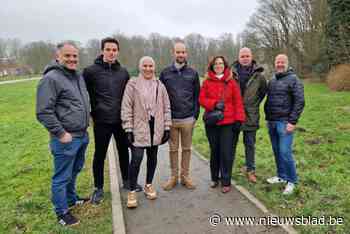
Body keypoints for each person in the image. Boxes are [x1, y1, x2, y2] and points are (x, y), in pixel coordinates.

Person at [36, 42, 90, 226]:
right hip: (66, 138)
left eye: (75, 56)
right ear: (58, 57)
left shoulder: (77, 76)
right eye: (67, 56)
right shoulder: (51, 79)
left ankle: (71, 199)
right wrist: (60, 133)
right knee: (61, 176)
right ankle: (62, 213)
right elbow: (43, 111)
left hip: (81, 135)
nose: (72, 59)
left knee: (75, 170)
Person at [83, 37, 141, 205]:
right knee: (99, 155)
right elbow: (82, 94)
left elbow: (130, 96)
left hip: (120, 121)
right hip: (101, 121)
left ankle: (127, 181)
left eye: (114, 50)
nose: (111, 52)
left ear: (118, 52)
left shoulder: (123, 72)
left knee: (124, 152)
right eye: (108, 49)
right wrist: (91, 114)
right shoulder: (90, 71)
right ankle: (98, 188)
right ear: (102, 51)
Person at [121, 56, 171, 208]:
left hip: (155, 127)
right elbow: (126, 106)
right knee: (136, 158)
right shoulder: (132, 84)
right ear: (140, 67)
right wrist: (128, 128)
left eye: (150, 66)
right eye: (145, 66)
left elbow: (166, 107)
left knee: (152, 157)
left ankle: (149, 184)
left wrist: (167, 127)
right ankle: (131, 190)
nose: (148, 69)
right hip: (138, 128)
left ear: (154, 68)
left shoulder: (160, 85)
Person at [199, 56, 246, 193]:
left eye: (221, 63)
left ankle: (226, 180)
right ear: (212, 66)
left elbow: (238, 102)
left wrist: (239, 120)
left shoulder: (231, 82)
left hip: (228, 123)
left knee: (226, 152)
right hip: (212, 122)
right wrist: (214, 104)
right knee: (215, 151)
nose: (218, 65)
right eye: (216, 64)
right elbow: (201, 99)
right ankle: (214, 177)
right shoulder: (207, 82)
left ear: (225, 66)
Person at [159, 42, 200, 190]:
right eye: (178, 52)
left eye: (183, 52)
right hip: (171, 119)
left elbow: (197, 96)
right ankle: (173, 176)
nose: (181, 55)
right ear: (173, 53)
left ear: (186, 54)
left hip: (188, 118)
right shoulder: (165, 73)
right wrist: (164, 117)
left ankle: (185, 176)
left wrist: (195, 116)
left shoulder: (193, 73)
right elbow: (160, 97)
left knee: (187, 149)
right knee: (173, 150)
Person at [264, 54, 305, 195]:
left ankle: (292, 180)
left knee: (285, 152)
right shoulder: (273, 79)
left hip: (285, 123)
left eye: (282, 62)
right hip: (272, 122)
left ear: (287, 63)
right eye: (277, 62)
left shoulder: (294, 80)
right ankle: (281, 176)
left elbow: (300, 101)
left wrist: (292, 122)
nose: (280, 64)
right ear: (275, 63)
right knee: (277, 151)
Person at [231, 47, 267, 183]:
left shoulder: (259, 76)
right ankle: (227, 170)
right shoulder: (231, 73)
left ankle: (250, 170)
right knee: (231, 144)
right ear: (238, 57)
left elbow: (263, 93)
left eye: (247, 56)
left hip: (251, 115)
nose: (245, 58)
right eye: (242, 56)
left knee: (250, 144)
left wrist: (253, 105)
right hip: (234, 115)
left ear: (251, 57)